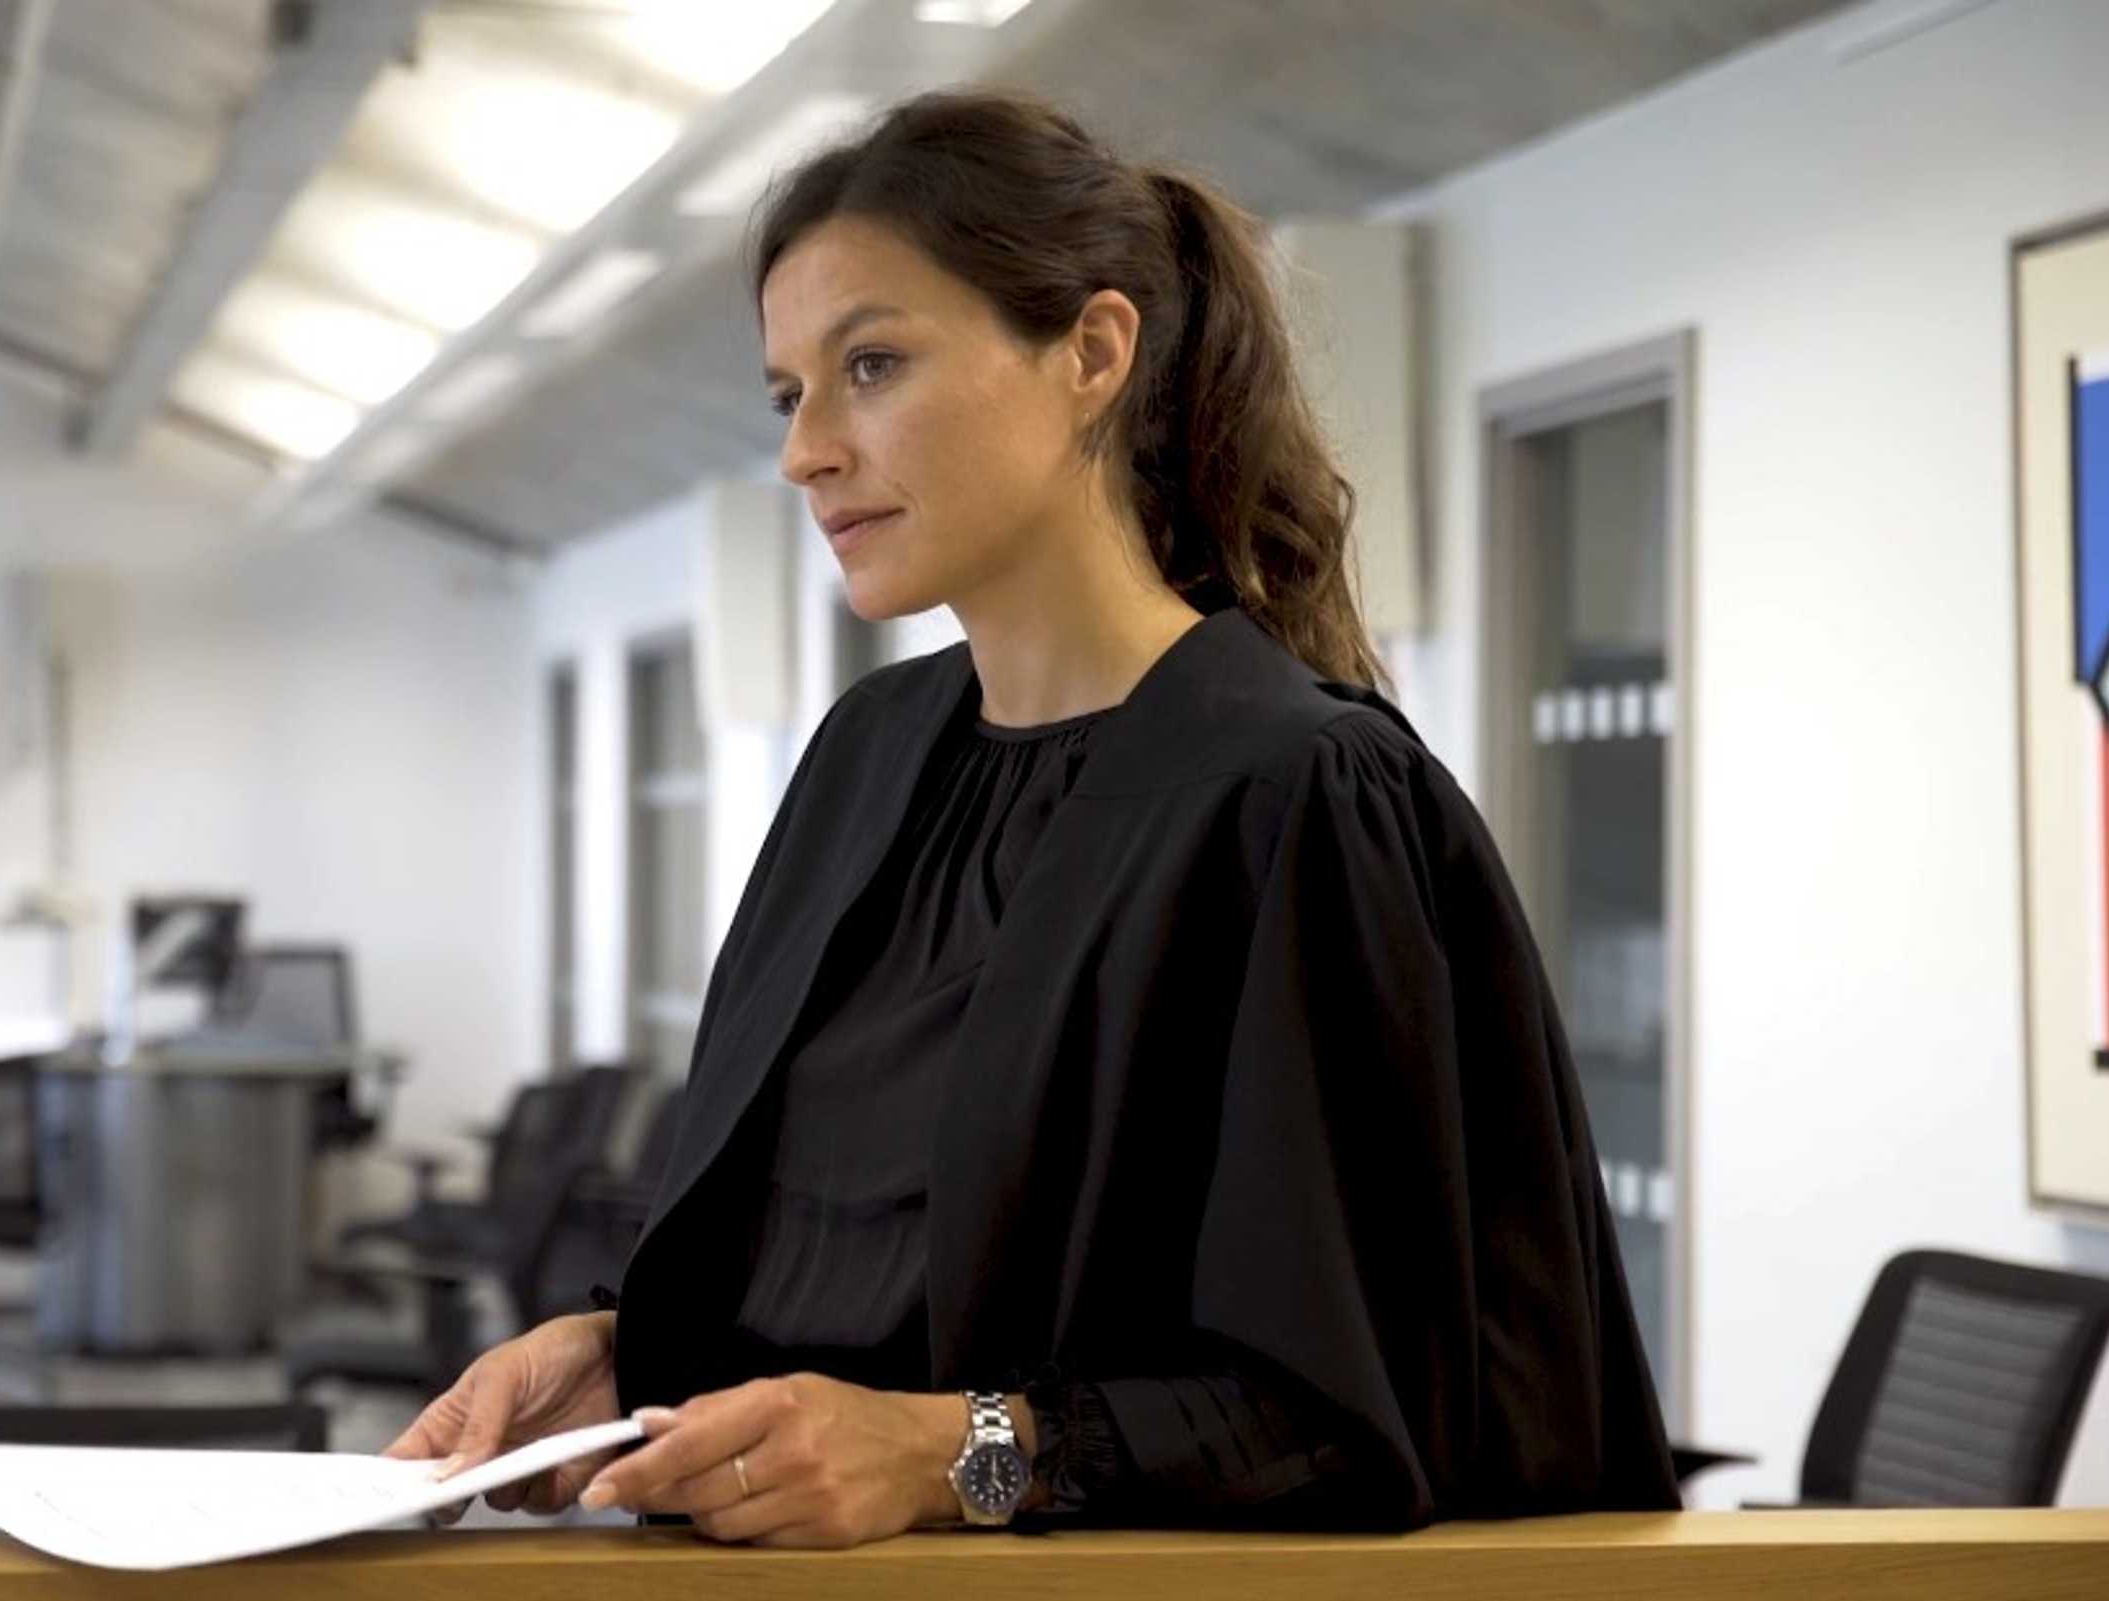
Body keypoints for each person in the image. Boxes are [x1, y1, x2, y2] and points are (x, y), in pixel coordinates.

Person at [383, 88, 1678, 1548]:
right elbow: (854, 1297)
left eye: (870, 364)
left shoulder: (1292, 798)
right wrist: (629, 1361)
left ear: (1092, 353)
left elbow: (1343, 1429)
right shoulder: (867, 760)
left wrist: (958, 1457)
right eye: (786, 392)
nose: (806, 449)